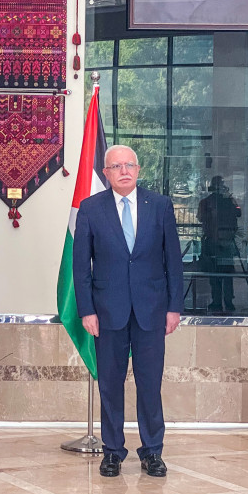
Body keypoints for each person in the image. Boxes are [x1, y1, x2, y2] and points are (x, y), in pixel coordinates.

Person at [73, 145, 184, 477]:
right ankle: (112, 451)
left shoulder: (160, 206)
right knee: (110, 382)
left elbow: (173, 262)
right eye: (116, 166)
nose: (124, 171)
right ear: (105, 173)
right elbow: (81, 267)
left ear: (139, 169)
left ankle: (152, 451)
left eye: (129, 165)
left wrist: (174, 307)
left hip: (152, 310)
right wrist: (86, 310)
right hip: (107, 312)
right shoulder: (91, 208)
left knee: (150, 383)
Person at [197, 175, 241, 313]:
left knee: (216, 274)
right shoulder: (225, 202)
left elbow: (200, 218)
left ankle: (219, 301)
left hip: (217, 240)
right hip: (220, 240)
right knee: (225, 274)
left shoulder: (206, 202)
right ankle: (227, 301)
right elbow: (237, 212)